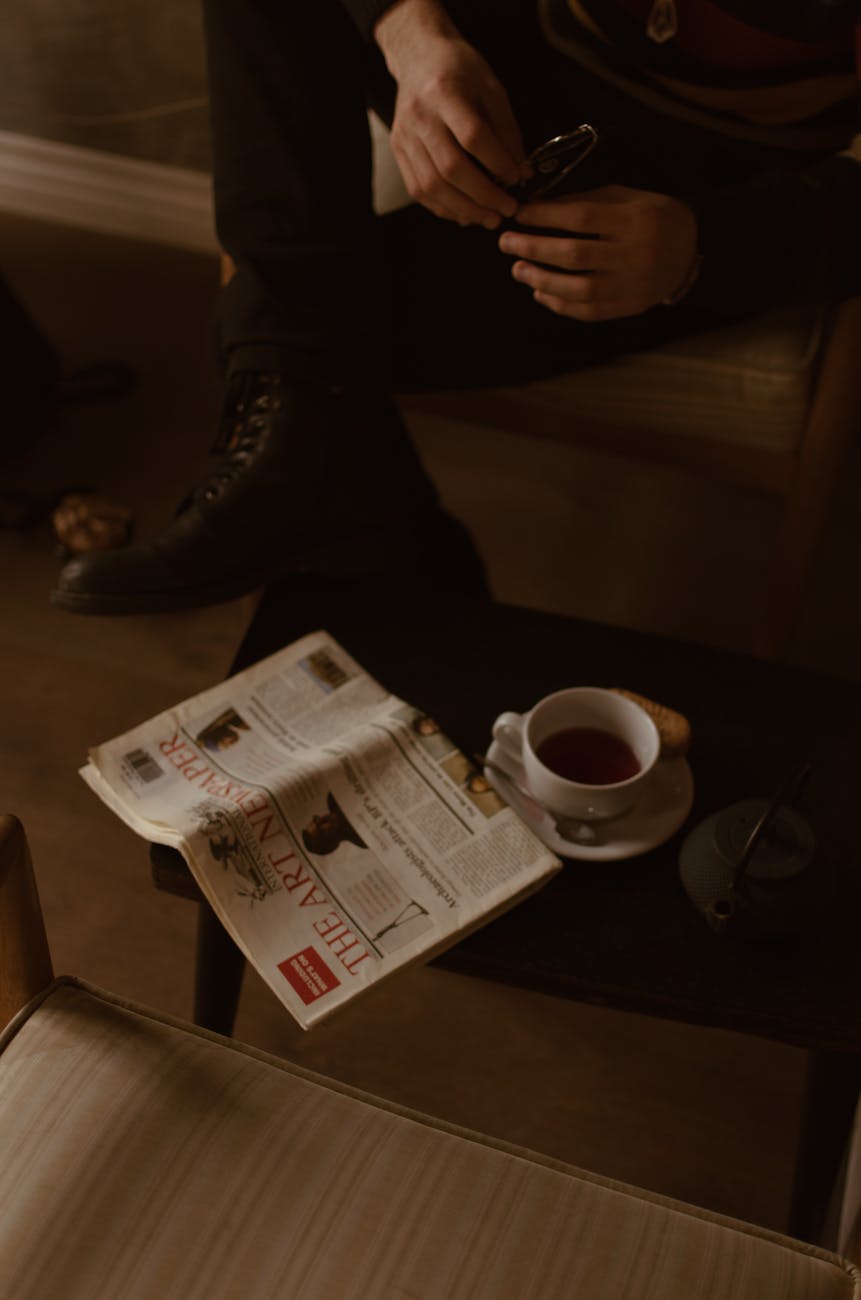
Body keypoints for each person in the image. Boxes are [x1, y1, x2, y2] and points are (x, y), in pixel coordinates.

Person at [51, 0, 861, 615]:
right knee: (297, 313)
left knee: (284, 320)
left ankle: (381, 531)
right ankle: (375, 528)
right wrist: (412, 30)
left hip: (702, 195)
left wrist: (702, 248)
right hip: (518, 55)